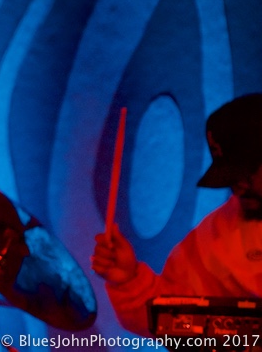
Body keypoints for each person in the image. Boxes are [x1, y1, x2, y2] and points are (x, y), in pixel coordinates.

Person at [91, 93, 262, 337]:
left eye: (247, 172)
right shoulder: (216, 238)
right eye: (230, 176)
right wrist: (129, 281)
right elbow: (180, 325)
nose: (238, 186)